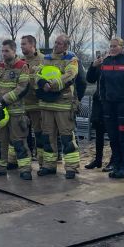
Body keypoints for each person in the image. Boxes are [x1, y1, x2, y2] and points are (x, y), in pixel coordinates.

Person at [0, 39, 32, 179]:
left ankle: (25, 169)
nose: (4, 54)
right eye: (2, 51)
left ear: (14, 51)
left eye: (7, 51)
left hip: (16, 112)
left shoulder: (22, 66)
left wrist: (3, 100)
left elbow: (22, 88)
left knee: (19, 141)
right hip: (0, 112)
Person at [36, 34, 81, 179]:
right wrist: (42, 83)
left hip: (63, 104)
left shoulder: (72, 60)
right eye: (55, 42)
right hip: (46, 104)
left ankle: (71, 167)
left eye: (60, 43)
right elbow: (37, 73)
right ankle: (49, 166)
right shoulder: (47, 58)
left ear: (66, 46)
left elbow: (70, 75)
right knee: (48, 136)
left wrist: (52, 84)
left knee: (67, 136)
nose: (56, 45)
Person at [97, 38, 124, 178]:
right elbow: (101, 84)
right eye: (111, 46)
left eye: (115, 46)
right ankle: (116, 165)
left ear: (122, 47)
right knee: (113, 138)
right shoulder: (106, 62)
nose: (112, 48)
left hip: (123, 108)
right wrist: (104, 101)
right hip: (109, 107)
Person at [20, 35, 45, 166]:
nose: (21, 46)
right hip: (23, 104)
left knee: (39, 133)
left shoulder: (42, 60)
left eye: (24, 44)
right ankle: (27, 159)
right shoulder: (20, 61)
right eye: (21, 44)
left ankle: (42, 161)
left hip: (37, 104)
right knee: (24, 133)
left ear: (32, 45)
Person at [85, 51, 107, 171]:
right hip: (99, 103)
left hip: (110, 102)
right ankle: (98, 160)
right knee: (99, 133)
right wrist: (93, 66)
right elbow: (90, 79)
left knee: (113, 134)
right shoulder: (100, 65)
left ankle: (114, 161)